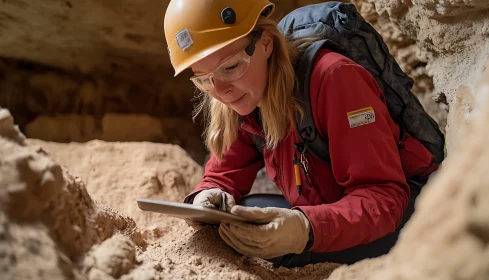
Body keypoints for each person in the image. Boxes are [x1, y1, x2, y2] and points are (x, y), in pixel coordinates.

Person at [163, 0, 439, 267]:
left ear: (266, 43)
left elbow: (383, 197)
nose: (220, 92)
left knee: (259, 242)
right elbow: (223, 174)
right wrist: (209, 196)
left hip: (406, 213)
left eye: (230, 67)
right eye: (203, 80)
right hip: (329, 209)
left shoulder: (335, 78)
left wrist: (305, 229)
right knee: (237, 220)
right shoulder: (245, 93)